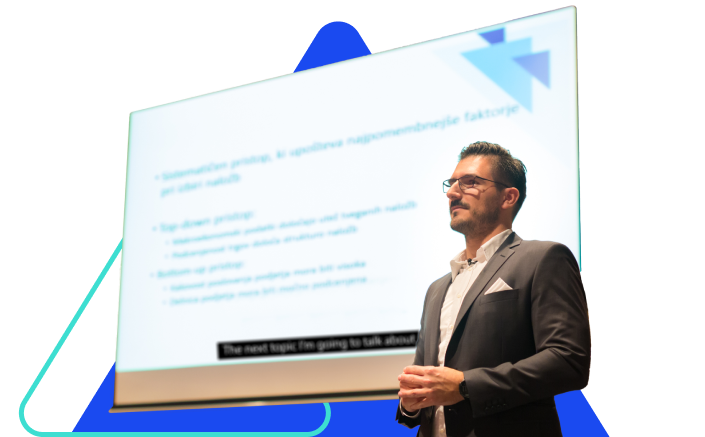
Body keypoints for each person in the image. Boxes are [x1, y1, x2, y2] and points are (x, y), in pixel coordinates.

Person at [395, 142, 590, 437]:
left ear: (508, 197)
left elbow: (569, 360)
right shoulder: (436, 289)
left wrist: (465, 386)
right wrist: (410, 403)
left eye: (470, 182)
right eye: (451, 184)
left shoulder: (543, 259)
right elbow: (426, 388)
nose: (452, 192)